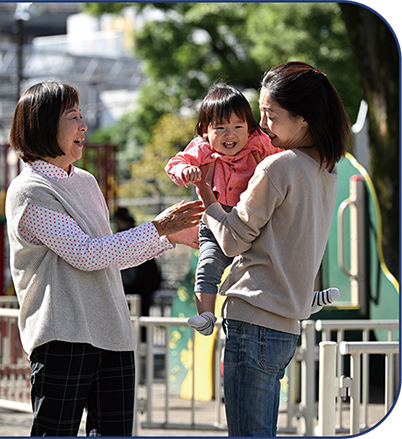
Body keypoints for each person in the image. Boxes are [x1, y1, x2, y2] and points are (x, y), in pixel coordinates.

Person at [5, 81, 204, 437]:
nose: (83, 125)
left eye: (81, 116)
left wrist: (168, 236)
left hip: (112, 332)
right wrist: (158, 227)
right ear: (43, 124)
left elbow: (107, 255)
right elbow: (87, 254)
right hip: (62, 334)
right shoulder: (29, 190)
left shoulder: (86, 182)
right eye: (72, 117)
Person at [190, 62, 351, 436]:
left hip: (254, 316)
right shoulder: (327, 168)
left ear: (304, 119)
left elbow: (230, 241)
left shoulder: (279, 167)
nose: (262, 125)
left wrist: (207, 197)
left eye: (271, 115)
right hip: (287, 323)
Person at [165, 83, 340, 336]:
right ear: (205, 131)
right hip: (216, 220)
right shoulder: (202, 149)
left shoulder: (258, 143)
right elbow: (176, 163)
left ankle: (304, 299)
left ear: (249, 127)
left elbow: (287, 155)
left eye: (238, 127)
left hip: (247, 212)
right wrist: (186, 172)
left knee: (281, 253)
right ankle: (206, 314)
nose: (230, 135)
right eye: (220, 128)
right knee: (208, 265)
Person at [114, 206, 162, 321]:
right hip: (144, 287)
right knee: (142, 321)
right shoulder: (139, 234)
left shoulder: (118, 239)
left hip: (131, 287)